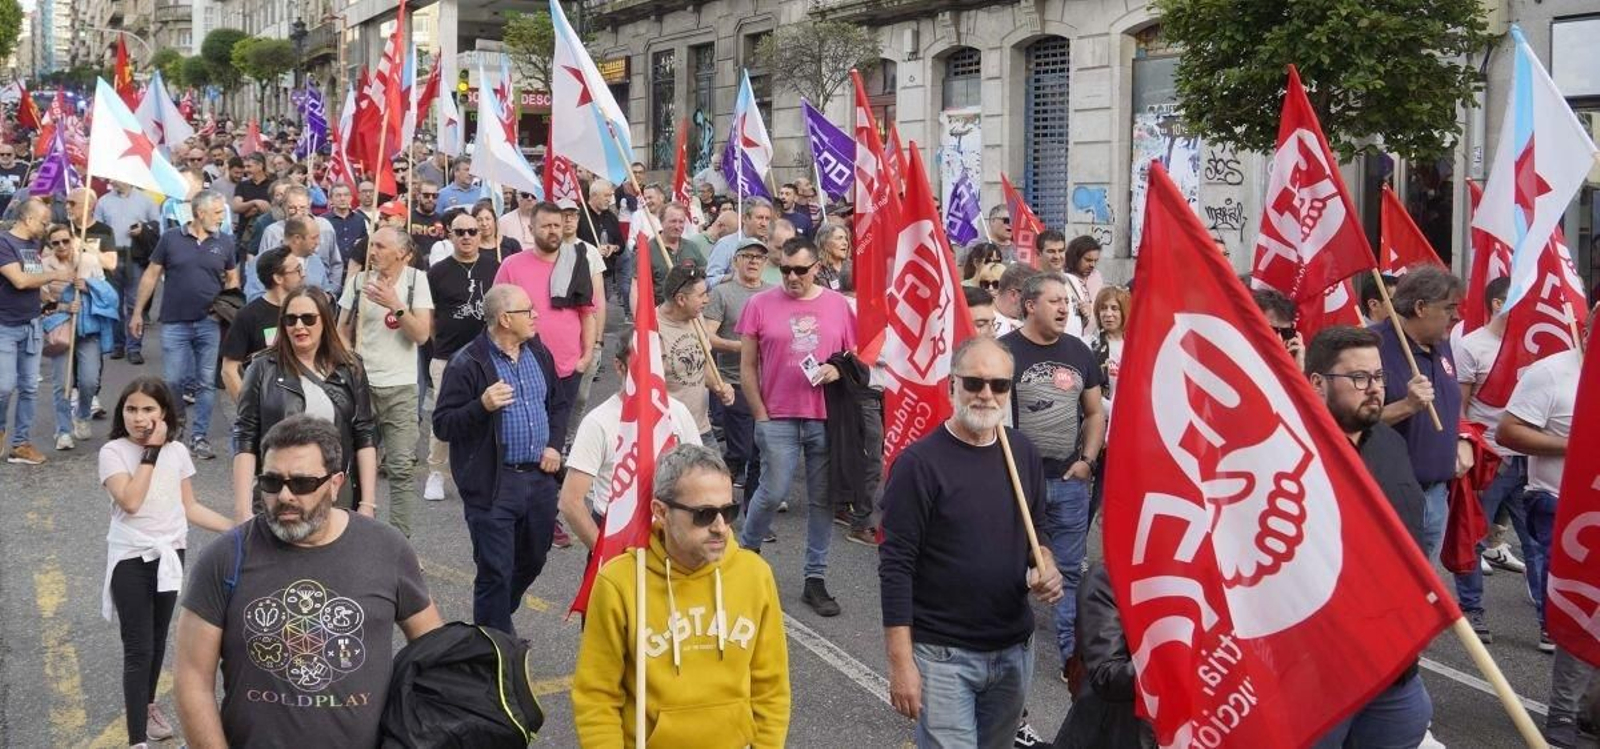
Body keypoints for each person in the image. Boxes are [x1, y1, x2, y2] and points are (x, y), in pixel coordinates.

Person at [174, 416, 444, 747]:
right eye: (271, 482)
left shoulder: (386, 548)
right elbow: (192, 679)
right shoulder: (224, 557)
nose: (285, 496)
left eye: (301, 483)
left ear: (335, 483)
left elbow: (436, 653)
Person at [880, 335, 1064, 749]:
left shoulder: (1022, 452)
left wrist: (1046, 564)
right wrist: (900, 661)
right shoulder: (918, 465)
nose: (986, 394)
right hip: (944, 655)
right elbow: (895, 566)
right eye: (974, 383)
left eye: (999, 385)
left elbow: (1039, 528)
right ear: (952, 386)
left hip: (1014, 648)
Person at [572, 444, 792, 747]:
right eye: (704, 514)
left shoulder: (755, 575)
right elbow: (596, 696)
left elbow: (772, 687)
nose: (720, 527)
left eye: (728, 511)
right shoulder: (619, 582)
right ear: (661, 512)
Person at [1304, 326, 1434, 748]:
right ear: (1318, 383)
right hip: (1319, 675)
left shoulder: (1391, 446)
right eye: (1359, 379)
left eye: (1378, 377)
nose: (1374, 388)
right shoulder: (1293, 457)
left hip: (1394, 667)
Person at [98, 377, 232, 748]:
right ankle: (137, 740)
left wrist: (235, 528)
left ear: (164, 413)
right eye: (131, 409)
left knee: (157, 641)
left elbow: (189, 507)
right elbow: (130, 501)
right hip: (130, 555)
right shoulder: (113, 451)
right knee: (138, 646)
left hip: (171, 553)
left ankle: (148, 704)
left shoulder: (177, 452)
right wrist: (151, 453)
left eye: (148, 410)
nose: (139, 418)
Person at [432, 284, 567, 635]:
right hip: (494, 482)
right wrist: (482, 406)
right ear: (506, 319)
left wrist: (554, 444)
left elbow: (558, 404)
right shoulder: (468, 363)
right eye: (528, 311)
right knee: (495, 569)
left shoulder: (538, 352)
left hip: (539, 479)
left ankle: (491, 621)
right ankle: (495, 646)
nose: (536, 315)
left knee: (534, 559)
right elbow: (443, 425)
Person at [735, 237, 857, 616]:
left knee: (822, 499)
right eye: (785, 269)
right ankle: (746, 560)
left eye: (800, 270)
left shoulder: (838, 305)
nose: (791, 277)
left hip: (824, 417)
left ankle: (815, 580)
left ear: (816, 267)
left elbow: (855, 356)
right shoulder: (759, 304)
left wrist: (836, 369)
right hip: (777, 416)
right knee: (772, 492)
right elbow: (747, 366)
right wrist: (759, 412)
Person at [999, 272, 1106, 677]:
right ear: (1029, 305)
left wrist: (1088, 461)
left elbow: (1095, 412)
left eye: (1066, 300)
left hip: (1069, 483)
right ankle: (1010, 653)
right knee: (1010, 572)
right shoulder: (1005, 352)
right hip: (1018, 486)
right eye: (1054, 301)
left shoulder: (1078, 352)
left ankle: (1071, 662)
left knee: (1067, 573)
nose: (1064, 307)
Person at [234, 286, 379, 521]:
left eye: (308, 318)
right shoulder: (261, 367)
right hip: (280, 492)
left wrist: (367, 503)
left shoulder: (351, 367)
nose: (299, 326)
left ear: (325, 321)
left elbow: (364, 434)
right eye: (291, 320)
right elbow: (245, 436)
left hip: (333, 492)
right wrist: (242, 509)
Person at [1498, 307, 1591, 656]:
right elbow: (1508, 432)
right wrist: (1578, 446)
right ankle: (1555, 629)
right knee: (1569, 592)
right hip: (1557, 498)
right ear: (1586, 332)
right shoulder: (1551, 373)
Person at [559, 332, 702, 550]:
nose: (655, 368)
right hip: (618, 533)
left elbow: (700, 475)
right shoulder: (598, 422)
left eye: (660, 359)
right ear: (619, 366)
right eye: (643, 360)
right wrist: (606, 556)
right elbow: (570, 502)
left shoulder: (678, 411)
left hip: (673, 535)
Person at [338, 227, 434, 537]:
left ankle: (399, 544)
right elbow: (341, 330)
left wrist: (395, 303)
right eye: (371, 244)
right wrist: (349, 357)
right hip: (362, 385)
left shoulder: (417, 281)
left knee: (401, 469)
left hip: (401, 389)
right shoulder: (357, 282)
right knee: (351, 466)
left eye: (380, 246)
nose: (372, 251)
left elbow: (421, 334)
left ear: (402, 254)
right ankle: (349, 535)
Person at [130, 191, 239, 461]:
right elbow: (151, 274)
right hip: (175, 321)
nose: (221, 217)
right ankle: (177, 426)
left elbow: (233, 279)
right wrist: (137, 313)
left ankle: (199, 436)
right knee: (173, 380)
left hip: (209, 322)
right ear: (199, 213)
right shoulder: (170, 239)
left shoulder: (225, 242)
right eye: (216, 212)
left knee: (205, 383)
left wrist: (231, 309)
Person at [1452, 276, 1531, 644]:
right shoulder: (1471, 346)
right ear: (1498, 304)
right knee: (1472, 536)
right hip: (1490, 460)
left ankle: (1550, 618)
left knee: (1539, 541)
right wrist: (1468, 448)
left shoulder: (1536, 345)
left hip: (1530, 460)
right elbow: (1461, 407)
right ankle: (1473, 611)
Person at [1374, 265, 1466, 560]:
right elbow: (1346, 423)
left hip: (1436, 495)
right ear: (1420, 307)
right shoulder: (1371, 347)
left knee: (1427, 590)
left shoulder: (1443, 345)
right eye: (1450, 307)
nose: (1457, 317)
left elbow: (1452, 404)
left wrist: (1462, 438)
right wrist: (1406, 407)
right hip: (1390, 497)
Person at [494, 201, 601, 449]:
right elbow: (496, 314)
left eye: (557, 225)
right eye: (546, 226)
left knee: (557, 433)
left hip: (567, 367)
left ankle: (551, 484)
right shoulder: (512, 265)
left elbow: (587, 313)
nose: (553, 231)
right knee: (527, 428)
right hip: (522, 365)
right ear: (531, 229)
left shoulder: (575, 262)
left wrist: (585, 358)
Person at [422, 209, 503, 503]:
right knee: (444, 417)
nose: (467, 237)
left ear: (481, 234)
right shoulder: (437, 272)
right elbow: (429, 317)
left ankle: (483, 470)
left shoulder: (495, 267)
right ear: (450, 235)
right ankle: (436, 472)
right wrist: (441, 345)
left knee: (488, 414)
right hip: (446, 356)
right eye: (460, 232)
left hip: (488, 356)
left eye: (472, 231)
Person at [0, 199, 68, 464]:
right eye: (43, 221)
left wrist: (46, 295)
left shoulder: (33, 245)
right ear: (28, 219)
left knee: (29, 388)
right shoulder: (4, 243)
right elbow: (20, 280)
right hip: (4, 326)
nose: (46, 226)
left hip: (32, 324)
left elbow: (33, 279)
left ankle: (21, 443)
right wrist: (56, 276)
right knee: (4, 387)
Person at [705, 238, 772, 500]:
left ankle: (754, 511)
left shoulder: (774, 293)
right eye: (748, 256)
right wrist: (742, 348)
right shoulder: (722, 293)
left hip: (770, 383)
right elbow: (707, 336)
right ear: (736, 261)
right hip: (735, 381)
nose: (754, 261)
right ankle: (721, 488)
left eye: (759, 257)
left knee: (763, 450)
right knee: (742, 451)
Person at [40, 223, 115, 450]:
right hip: (60, 329)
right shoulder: (42, 265)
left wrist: (88, 286)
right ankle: (62, 430)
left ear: (73, 239)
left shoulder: (89, 261)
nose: (62, 246)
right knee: (61, 384)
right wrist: (63, 306)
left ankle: (82, 415)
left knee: (89, 381)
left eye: (66, 240)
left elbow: (107, 293)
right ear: (49, 245)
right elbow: (39, 299)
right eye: (56, 243)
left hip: (88, 328)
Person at [658, 266, 736, 445]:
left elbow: (704, 364)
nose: (707, 300)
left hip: (701, 427)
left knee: (718, 473)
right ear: (681, 299)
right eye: (701, 295)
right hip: (670, 432)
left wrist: (719, 386)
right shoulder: (653, 329)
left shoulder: (696, 316)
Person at [221, 248, 304, 399]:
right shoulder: (249, 315)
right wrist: (247, 410)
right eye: (297, 270)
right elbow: (229, 369)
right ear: (278, 278)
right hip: (267, 404)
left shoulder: (307, 310)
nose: (303, 275)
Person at [95, 181, 164, 362]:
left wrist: (143, 230)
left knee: (136, 303)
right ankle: (118, 345)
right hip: (112, 256)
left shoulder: (146, 201)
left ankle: (134, 347)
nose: (113, 180)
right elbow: (97, 229)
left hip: (135, 256)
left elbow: (157, 227)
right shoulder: (103, 201)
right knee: (114, 303)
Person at [255, 186, 342, 296]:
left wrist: (331, 293)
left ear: (309, 206)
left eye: (302, 208)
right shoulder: (272, 232)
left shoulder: (325, 228)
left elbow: (335, 263)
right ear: (284, 207)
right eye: (292, 208)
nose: (297, 212)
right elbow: (261, 270)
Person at [643, 203, 710, 306]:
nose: (677, 226)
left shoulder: (691, 247)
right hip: (661, 314)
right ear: (661, 222)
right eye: (673, 221)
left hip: (690, 313)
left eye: (681, 222)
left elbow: (704, 276)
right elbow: (638, 287)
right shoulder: (648, 249)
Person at [706, 198, 776, 287]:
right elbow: (709, 281)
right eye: (760, 218)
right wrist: (731, 277)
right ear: (744, 218)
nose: (764, 223)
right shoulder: (726, 245)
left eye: (767, 219)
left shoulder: (771, 246)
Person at [1091, 285, 1130, 406]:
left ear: (1124, 312)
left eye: (1114, 308)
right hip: (1101, 419)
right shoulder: (1088, 345)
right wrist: (1113, 411)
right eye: (1103, 308)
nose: (1108, 314)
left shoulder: (1135, 348)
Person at [1061, 235, 1103, 341]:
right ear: (1075, 257)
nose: (1092, 265)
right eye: (1088, 260)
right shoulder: (1063, 277)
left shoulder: (1096, 277)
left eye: (1095, 261)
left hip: (1091, 340)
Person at [323, 183, 368, 268]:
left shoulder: (360, 220)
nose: (342, 199)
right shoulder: (323, 221)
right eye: (338, 195)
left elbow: (364, 243)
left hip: (355, 270)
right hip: (332, 270)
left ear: (351, 198)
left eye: (346, 195)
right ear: (331, 199)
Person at [230, 152, 274, 238]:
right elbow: (236, 207)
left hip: (266, 234)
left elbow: (274, 208)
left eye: (249, 166)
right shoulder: (242, 185)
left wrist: (256, 210)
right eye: (245, 167)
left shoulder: (273, 185)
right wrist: (254, 202)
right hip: (244, 236)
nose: (245, 170)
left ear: (260, 166)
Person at [993, 263, 1036, 338]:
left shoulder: (1027, 319)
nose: (1034, 302)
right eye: (1031, 296)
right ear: (1014, 294)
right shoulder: (985, 321)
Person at [813, 223, 851, 292]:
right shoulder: (818, 270)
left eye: (846, 239)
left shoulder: (852, 266)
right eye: (839, 238)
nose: (845, 243)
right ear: (825, 242)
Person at [0, 142, 31, 208]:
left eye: (9, 154)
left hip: (16, 210)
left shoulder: (25, 169)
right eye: (2, 154)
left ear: (14, 155)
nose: (5, 156)